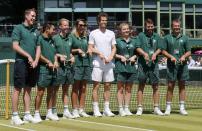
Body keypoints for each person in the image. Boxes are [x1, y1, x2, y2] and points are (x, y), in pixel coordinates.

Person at [11, 8, 40, 125]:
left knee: (28, 89)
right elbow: (15, 46)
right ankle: (15, 116)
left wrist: (36, 60)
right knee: (17, 89)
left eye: (35, 16)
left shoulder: (36, 31)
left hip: (33, 64)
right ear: (26, 16)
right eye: (32, 16)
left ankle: (27, 114)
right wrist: (28, 56)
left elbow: (38, 47)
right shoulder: (18, 28)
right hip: (21, 62)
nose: (34, 18)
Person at [115, 22, 147, 116]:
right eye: (124, 29)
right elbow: (112, 53)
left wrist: (134, 56)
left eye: (127, 29)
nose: (126, 30)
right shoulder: (117, 41)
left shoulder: (134, 40)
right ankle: (121, 108)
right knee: (120, 89)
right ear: (120, 31)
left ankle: (126, 108)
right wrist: (120, 57)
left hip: (131, 67)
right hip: (120, 67)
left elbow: (137, 52)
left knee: (129, 89)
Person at [88, 12, 116, 117]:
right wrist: (99, 53)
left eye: (105, 20)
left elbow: (114, 48)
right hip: (97, 63)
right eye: (102, 20)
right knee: (96, 86)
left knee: (108, 86)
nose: (104, 22)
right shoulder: (93, 33)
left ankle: (106, 109)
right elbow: (90, 47)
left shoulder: (111, 33)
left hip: (109, 64)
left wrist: (110, 57)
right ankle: (96, 109)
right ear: (98, 21)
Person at [162, 19, 191, 115]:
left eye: (178, 26)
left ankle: (182, 107)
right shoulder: (167, 38)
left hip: (183, 66)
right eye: (175, 26)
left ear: (180, 27)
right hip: (171, 66)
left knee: (182, 86)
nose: (177, 27)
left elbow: (189, 51)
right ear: (172, 27)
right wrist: (170, 57)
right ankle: (168, 107)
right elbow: (163, 51)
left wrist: (183, 56)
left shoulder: (185, 38)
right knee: (170, 86)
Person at [136, 18, 164, 116]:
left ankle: (156, 108)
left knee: (155, 86)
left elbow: (160, 48)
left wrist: (155, 54)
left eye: (152, 26)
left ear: (154, 26)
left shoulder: (157, 36)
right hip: (142, 65)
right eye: (148, 26)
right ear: (145, 27)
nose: (150, 28)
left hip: (154, 65)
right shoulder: (140, 35)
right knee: (141, 86)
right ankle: (139, 108)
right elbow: (137, 47)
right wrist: (144, 54)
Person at [34, 22, 60, 121]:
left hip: (53, 70)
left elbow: (55, 54)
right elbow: (38, 55)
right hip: (43, 70)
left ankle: (49, 113)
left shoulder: (52, 40)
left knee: (51, 92)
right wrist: (48, 61)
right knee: (40, 92)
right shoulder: (39, 39)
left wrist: (56, 61)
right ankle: (36, 114)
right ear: (47, 29)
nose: (54, 31)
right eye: (53, 29)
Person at [51, 18, 75, 119]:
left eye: (67, 25)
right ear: (60, 27)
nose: (67, 27)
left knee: (66, 90)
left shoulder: (70, 38)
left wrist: (72, 56)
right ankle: (53, 110)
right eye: (64, 25)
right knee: (55, 90)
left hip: (68, 68)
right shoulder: (54, 38)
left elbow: (70, 51)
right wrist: (58, 56)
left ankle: (66, 110)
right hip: (58, 68)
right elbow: (51, 52)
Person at [71, 19, 91, 118]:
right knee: (75, 88)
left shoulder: (86, 37)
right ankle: (75, 109)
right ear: (76, 26)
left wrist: (89, 50)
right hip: (76, 65)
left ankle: (81, 109)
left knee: (83, 88)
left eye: (84, 25)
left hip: (86, 64)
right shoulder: (72, 37)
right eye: (80, 25)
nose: (82, 27)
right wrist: (77, 50)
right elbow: (68, 49)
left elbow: (90, 47)